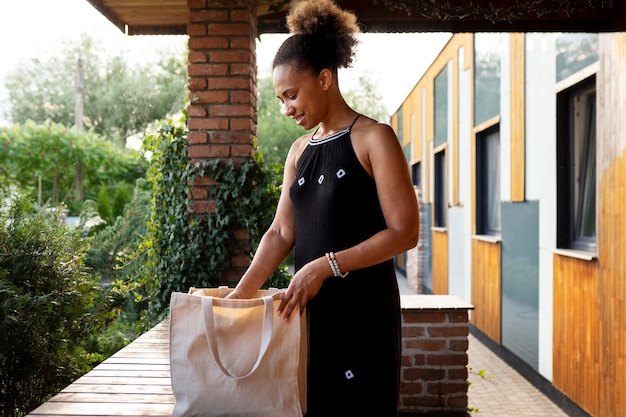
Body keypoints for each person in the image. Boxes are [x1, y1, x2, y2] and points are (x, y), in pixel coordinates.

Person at [227, 0, 420, 415]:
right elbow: (281, 232)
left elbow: (405, 232)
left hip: (363, 318)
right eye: (280, 99)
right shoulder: (298, 151)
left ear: (326, 78)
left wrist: (325, 265)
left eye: (292, 95)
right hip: (310, 316)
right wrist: (242, 293)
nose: (287, 109)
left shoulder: (374, 138)